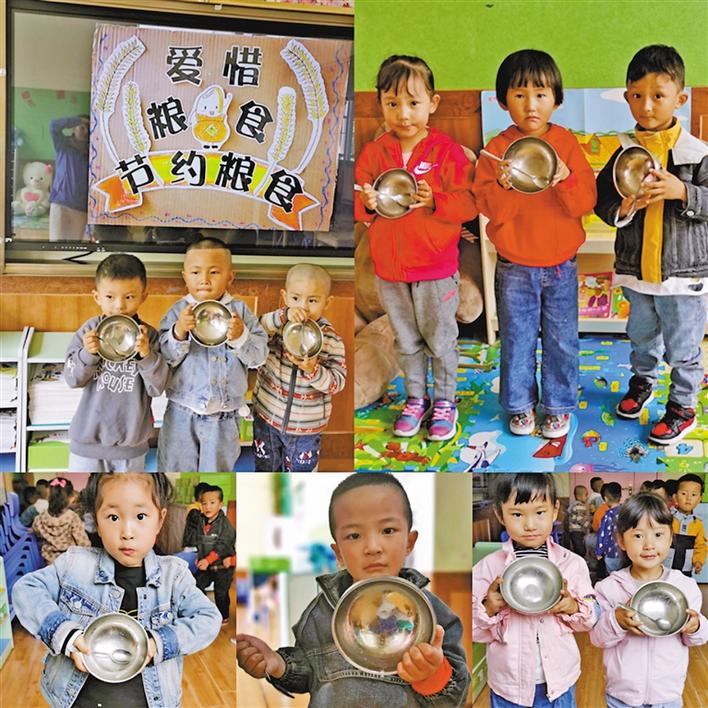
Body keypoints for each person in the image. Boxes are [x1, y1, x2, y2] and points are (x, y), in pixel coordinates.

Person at [237, 473, 470, 706]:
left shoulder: (432, 615)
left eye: (388, 530)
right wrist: (277, 663)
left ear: (409, 542)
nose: (372, 547)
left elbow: (457, 694)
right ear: (339, 553)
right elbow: (309, 672)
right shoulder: (320, 612)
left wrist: (432, 676)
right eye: (354, 535)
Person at [12, 473, 221, 707]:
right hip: (75, 700)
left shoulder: (174, 576)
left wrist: (158, 642)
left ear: (159, 520)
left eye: (140, 516)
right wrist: (65, 634)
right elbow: (26, 589)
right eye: (113, 517)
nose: (127, 532)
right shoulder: (75, 564)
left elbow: (208, 617)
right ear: (96, 522)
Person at [474, 49, 597, 439]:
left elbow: (584, 203)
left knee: (562, 341)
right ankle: (519, 405)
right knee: (517, 340)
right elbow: (491, 211)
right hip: (514, 265)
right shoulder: (497, 149)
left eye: (541, 94)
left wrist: (566, 178)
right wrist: (504, 186)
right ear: (502, 100)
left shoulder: (566, 142)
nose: (531, 104)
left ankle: (558, 406)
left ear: (556, 100)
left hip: (561, 264)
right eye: (520, 94)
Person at [355, 55, 477, 442]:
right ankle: (415, 398)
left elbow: (469, 204)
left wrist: (436, 200)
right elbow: (357, 202)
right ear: (380, 103)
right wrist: (366, 203)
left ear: (433, 103)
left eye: (413, 102)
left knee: (440, 340)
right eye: (392, 103)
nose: (403, 113)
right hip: (390, 271)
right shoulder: (374, 153)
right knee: (406, 341)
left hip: (435, 269)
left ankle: (445, 401)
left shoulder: (446, 151)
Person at [594, 45, 708, 445]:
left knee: (683, 347)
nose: (646, 106)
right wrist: (622, 208)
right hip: (637, 271)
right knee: (641, 336)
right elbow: (602, 202)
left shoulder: (697, 154)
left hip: (683, 278)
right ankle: (642, 381)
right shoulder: (623, 152)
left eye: (658, 96)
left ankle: (682, 406)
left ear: (680, 99)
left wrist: (683, 192)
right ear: (627, 97)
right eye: (637, 95)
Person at [473, 474, 597, 707]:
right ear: (499, 514)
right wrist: (489, 607)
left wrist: (572, 606)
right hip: (509, 689)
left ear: (555, 510)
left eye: (540, 512)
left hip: (559, 683)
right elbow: (472, 633)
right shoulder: (488, 567)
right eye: (517, 514)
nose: (530, 525)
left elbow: (589, 621)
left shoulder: (571, 564)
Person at [158, 237, 268, 471]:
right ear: (185, 276)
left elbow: (259, 357)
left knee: (216, 473)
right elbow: (165, 359)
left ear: (230, 277)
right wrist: (179, 331)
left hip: (224, 416)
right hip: (181, 412)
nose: (205, 280)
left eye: (214, 272)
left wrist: (241, 336)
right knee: (175, 472)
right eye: (196, 272)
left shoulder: (240, 312)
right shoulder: (178, 312)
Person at [590, 493, 707, 707]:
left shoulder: (684, 587)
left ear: (670, 538)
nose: (649, 545)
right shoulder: (609, 588)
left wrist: (696, 626)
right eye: (638, 536)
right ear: (621, 541)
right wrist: (616, 620)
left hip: (667, 696)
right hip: (622, 697)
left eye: (658, 534)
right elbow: (598, 639)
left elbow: (697, 639)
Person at [64, 254, 168, 472]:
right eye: (110, 296)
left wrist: (146, 356)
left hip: (131, 449)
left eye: (129, 297)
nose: (119, 306)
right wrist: (87, 354)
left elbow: (157, 387)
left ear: (143, 296)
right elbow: (72, 379)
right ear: (97, 297)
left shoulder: (149, 336)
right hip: (86, 446)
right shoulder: (89, 331)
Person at [252, 263, 347, 471]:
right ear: (285, 297)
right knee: (265, 469)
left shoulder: (331, 340)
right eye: (296, 298)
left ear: (327, 302)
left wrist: (313, 370)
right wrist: (282, 316)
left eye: (312, 300)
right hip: (266, 416)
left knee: (300, 475)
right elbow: (254, 334)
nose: (303, 307)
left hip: (306, 428)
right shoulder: (278, 325)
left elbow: (337, 383)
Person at [182, 484, 236, 624]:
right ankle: (205, 610)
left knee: (220, 592)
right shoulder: (201, 521)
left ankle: (223, 617)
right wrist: (199, 557)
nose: (208, 507)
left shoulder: (225, 525)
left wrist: (207, 560)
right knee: (196, 584)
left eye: (212, 503)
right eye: (204, 503)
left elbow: (223, 546)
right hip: (206, 565)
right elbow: (199, 541)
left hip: (223, 567)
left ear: (220, 505)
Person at [48, 115, 89, 241]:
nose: (86, 131)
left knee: (74, 247)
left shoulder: (93, 152)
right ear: (73, 128)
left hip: (81, 207)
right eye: (82, 127)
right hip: (60, 203)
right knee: (56, 244)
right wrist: (78, 120)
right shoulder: (63, 144)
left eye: (89, 128)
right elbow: (53, 125)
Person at [32, 477, 90, 564]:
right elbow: (83, 542)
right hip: (69, 562)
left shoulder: (41, 518)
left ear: (49, 497)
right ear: (70, 497)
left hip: (49, 562)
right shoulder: (72, 518)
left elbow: (36, 531)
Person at [665, 473, 706, 576]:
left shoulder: (698, 524)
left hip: (685, 569)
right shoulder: (666, 518)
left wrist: (698, 561)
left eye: (693, 495)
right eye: (684, 493)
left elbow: (700, 546)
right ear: (675, 497)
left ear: (699, 499)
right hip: (665, 567)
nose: (688, 498)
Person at [596, 482, 623, 573]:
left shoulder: (608, 516)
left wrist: (599, 552)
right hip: (625, 553)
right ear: (620, 496)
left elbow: (602, 535)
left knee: (613, 576)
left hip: (611, 553)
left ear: (606, 498)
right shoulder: (626, 512)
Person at [567, 484, 591, 558]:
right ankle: (580, 561)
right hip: (577, 531)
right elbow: (580, 519)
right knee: (580, 550)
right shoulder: (579, 506)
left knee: (578, 547)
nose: (587, 497)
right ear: (579, 497)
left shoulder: (574, 504)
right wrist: (588, 525)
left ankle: (579, 560)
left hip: (574, 531)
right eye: (586, 495)